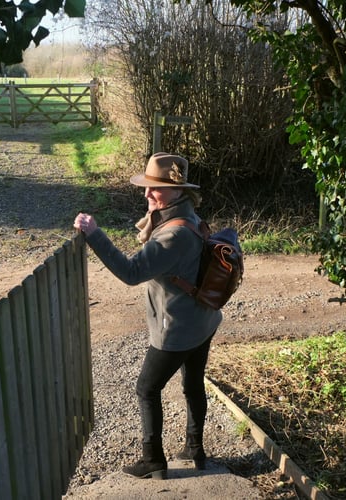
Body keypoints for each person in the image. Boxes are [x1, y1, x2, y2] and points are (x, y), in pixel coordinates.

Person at [73, 152, 222, 480]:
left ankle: (153, 459)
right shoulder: (189, 217)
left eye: (154, 188)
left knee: (146, 388)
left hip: (180, 328)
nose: (146, 194)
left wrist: (94, 234)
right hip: (204, 320)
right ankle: (195, 450)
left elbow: (131, 271)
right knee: (193, 383)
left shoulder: (173, 234)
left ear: (177, 190)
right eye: (147, 187)